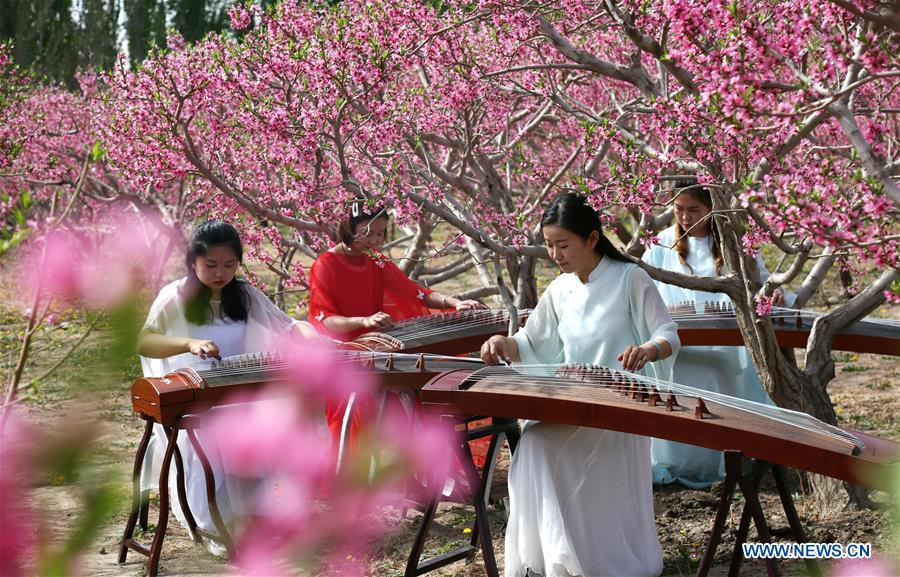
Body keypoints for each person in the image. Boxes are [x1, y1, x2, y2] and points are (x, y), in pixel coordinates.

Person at [480, 192, 679, 577]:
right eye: (549, 245)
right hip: (574, 401)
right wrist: (505, 343)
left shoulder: (629, 278)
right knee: (535, 445)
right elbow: (532, 342)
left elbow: (668, 333)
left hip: (619, 407)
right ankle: (561, 558)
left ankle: (600, 560)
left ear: (591, 238)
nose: (555, 254)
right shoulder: (561, 289)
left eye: (563, 245)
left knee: (544, 447)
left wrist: (648, 350)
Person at [138, 220, 315, 556]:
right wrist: (188, 343)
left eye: (229, 265)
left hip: (238, 393)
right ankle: (214, 524)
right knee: (217, 436)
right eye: (211, 265)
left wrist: (311, 338)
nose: (221, 273)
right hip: (194, 398)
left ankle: (253, 515)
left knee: (271, 428)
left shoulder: (244, 294)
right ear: (193, 262)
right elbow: (146, 342)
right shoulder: (175, 296)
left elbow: (288, 325)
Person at [308, 200, 486, 468]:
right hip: (343, 351)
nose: (374, 240)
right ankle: (352, 474)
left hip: (377, 345)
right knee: (356, 403)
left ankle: (425, 465)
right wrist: (364, 320)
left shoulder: (375, 261)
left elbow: (413, 291)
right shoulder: (325, 265)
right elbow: (326, 320)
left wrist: (453, 302)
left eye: (380, 233)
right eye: (367, 232)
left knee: (418, 379)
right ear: (349, 227)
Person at [642, 179, 787, 488]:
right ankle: (678, 462)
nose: (685, 217)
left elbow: (762, 281)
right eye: (679, 210)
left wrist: (774, 292)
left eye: (694, 210)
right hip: (680, 343)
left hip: (727, 344)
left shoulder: (733, 242)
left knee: (721, 380)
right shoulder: (660, 244)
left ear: (712, 208)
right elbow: (641, 288)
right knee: (682, 388)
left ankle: (727, 462)